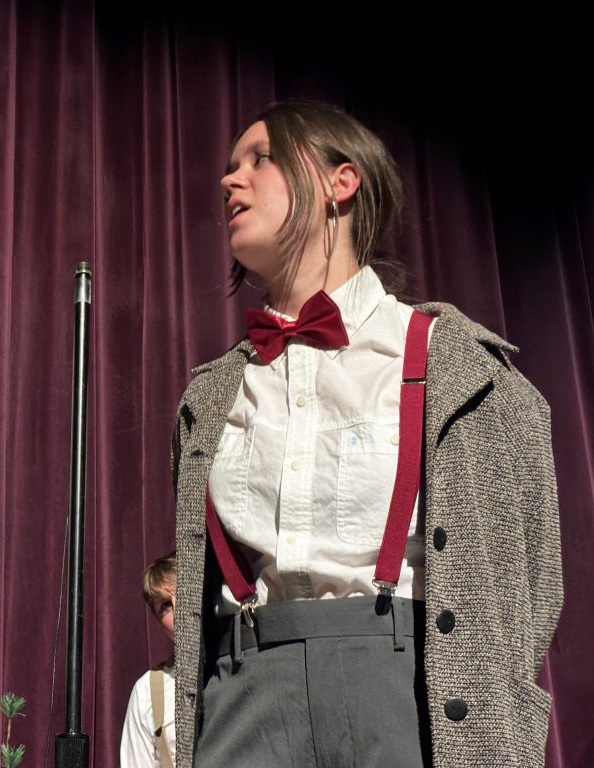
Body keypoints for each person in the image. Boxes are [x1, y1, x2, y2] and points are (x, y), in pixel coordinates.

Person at [170, 101, 562, 768]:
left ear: (339, 182)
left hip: (407, 696)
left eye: (259, 160)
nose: (229, 181)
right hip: (244, 698)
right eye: (231, 167)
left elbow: (528, 583)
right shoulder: (212, 394)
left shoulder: (460, 368)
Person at [120, 553, 178, 768]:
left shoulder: (241, 664)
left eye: (183, 593)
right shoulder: (148, 691)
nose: (178, 610)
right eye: (165, 605)